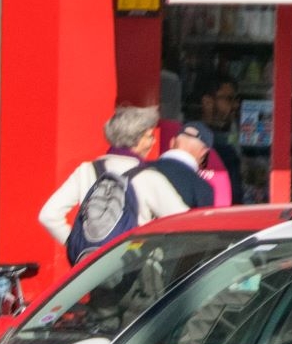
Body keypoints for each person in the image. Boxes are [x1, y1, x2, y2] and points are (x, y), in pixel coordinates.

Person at [37, 104, 190, 263]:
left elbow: (48, 215)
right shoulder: (149, 178)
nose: (153, 142)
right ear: (137, 139)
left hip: (89, 269)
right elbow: (184, 223)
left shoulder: (86, 170)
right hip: (131, 268)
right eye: (150, 136)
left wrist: (77, 246)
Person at [144, 126, 218, 212]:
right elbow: (202, 223)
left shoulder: (140, 169)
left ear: (172, 143)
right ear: (203, 153)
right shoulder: (202, 188)